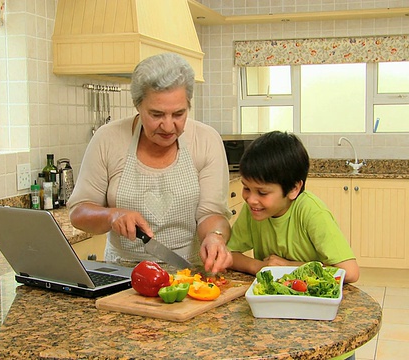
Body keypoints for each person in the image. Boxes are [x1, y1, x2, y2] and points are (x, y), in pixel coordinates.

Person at [67, 53, 233, 274]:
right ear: (138, 105)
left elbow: (212, 213)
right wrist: (112, 215)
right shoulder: (108, 139)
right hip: (122, 274)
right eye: (156, 114)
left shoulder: (206, 140)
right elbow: (79, 212)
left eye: (178, 114)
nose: (168, 126)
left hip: (189, 274)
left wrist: (215, 237)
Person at [227, 131, 360, 283]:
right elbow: (228, 254)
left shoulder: (311, 211)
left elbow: (350, 272)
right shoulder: (254, 208)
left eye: (262, 192)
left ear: (293, 189)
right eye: (246, 188)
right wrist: (259, 266)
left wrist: (289, 267)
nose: (251, 199)